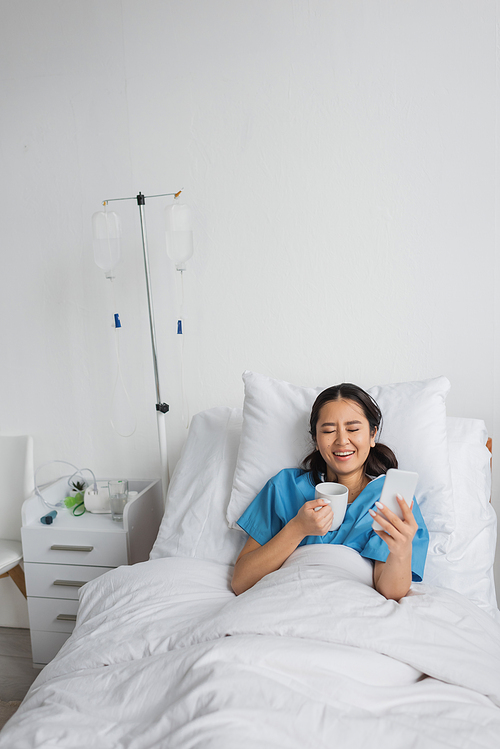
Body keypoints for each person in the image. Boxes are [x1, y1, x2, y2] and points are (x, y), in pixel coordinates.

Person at [231, 383, 429, 600]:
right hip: (288, 599)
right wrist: (297, 529)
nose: (342, 440)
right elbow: (241, 582)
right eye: (328, 431)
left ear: (372, 435)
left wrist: (401, 551)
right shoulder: (285, 487)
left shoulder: (390, 501)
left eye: (353, 429)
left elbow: (391, 592)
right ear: (316, 439)